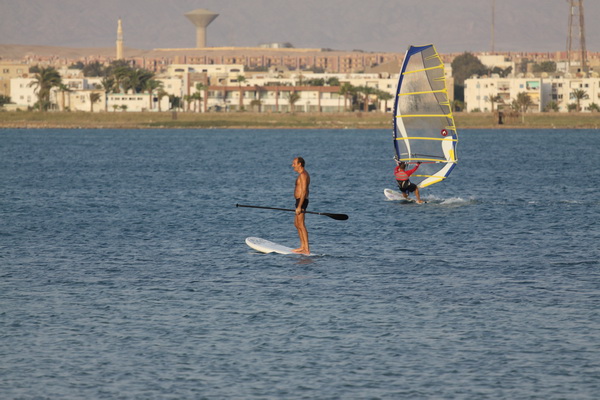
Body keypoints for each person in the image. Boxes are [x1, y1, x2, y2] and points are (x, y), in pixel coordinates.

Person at [291, 157, 310, 255]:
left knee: (301, 224)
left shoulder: (303, 175)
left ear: (300, 164)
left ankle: (306, 248)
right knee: (296, 224)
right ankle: (302, 246)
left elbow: (303, 192)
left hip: (301, 202)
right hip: (299, 201)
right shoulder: (301, 175)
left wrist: (299, 206)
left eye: (294, 163)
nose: (292, 165)